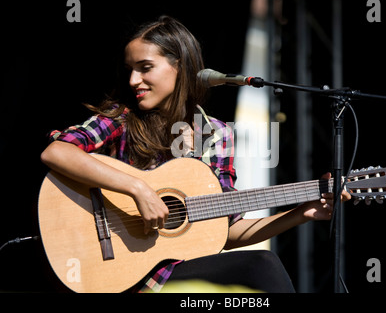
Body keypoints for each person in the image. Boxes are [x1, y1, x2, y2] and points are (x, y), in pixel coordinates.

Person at [41, 15, 350, 293]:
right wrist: (137, 189)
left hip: (175, 271)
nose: (134, 80)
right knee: (262, 266)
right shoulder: (121, 116)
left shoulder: (215, 135)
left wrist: (301, 213)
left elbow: (227, 232)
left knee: (261, 264)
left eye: (145, 68)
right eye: (130, 70)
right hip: (123, 270)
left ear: (181, 67)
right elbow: (57, 152)